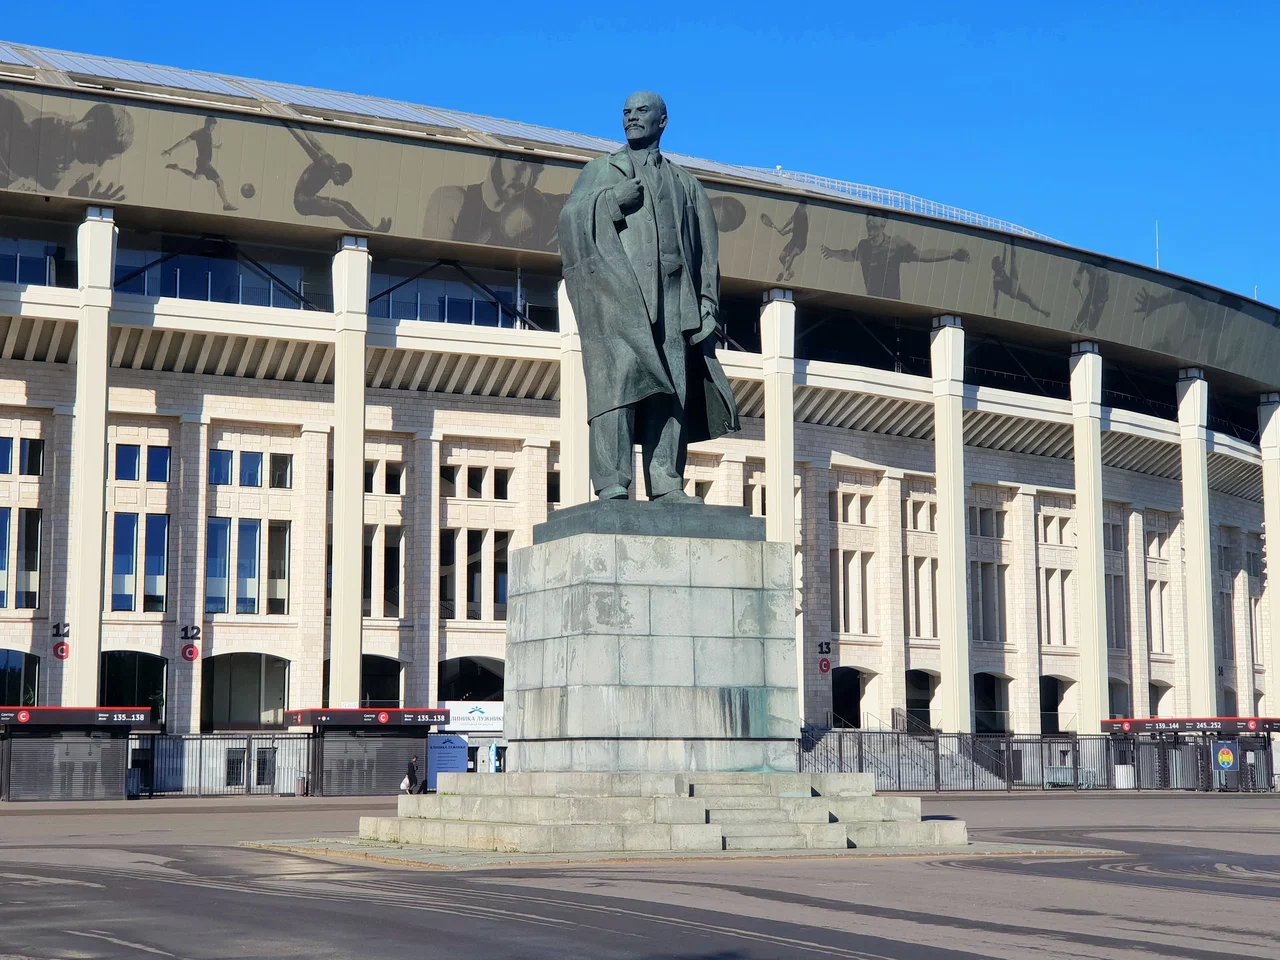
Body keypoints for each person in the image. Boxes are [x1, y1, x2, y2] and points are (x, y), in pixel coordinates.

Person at [558, 91, 738, 501]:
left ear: (663, 121)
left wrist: (708, 301)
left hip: (676, 301)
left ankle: (667, 482)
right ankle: (612, 483)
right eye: (626, 112)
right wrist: (610, 204)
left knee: (672, 390)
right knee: (616, 388)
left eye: (641, 111)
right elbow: (568, 222)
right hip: (622, 299)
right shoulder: (601, 171)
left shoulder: (686, 183)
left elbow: (707, 250)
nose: (631, 118)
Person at [821, 214, 969, 300]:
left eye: (874, 217)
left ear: (884, 222)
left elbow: (923, 255)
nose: (869, 220)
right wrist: (832, 252)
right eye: (868, 217)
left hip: (892, 304)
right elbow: (848, 255)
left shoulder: (896, 243)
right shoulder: (863, 246)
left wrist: (952, 254)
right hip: (872, 304)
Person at [285, 123, 391, 233]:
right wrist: (290, 125)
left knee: (346, 205)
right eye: (343, 181)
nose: (342, 185)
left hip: (311, 198)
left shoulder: (331, 162)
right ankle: (371, 231)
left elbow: (315, 143)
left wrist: (302, 125)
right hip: (302, 202)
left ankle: (373, 228)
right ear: (337, 174)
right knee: (339, 209)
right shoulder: (324, 164)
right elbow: (306, 145)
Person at [162, 116, 237, 211]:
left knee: (196, 177)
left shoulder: (208, 133)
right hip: (204, 163)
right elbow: (184, 141)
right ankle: (226, 205)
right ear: (207, 125)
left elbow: (206, 144)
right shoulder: (199, 133)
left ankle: (177, 168)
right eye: (212, 126)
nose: (214, 129)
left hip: (202, 162)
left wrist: (216, 146)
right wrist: (170, 150)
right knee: (219, 181)